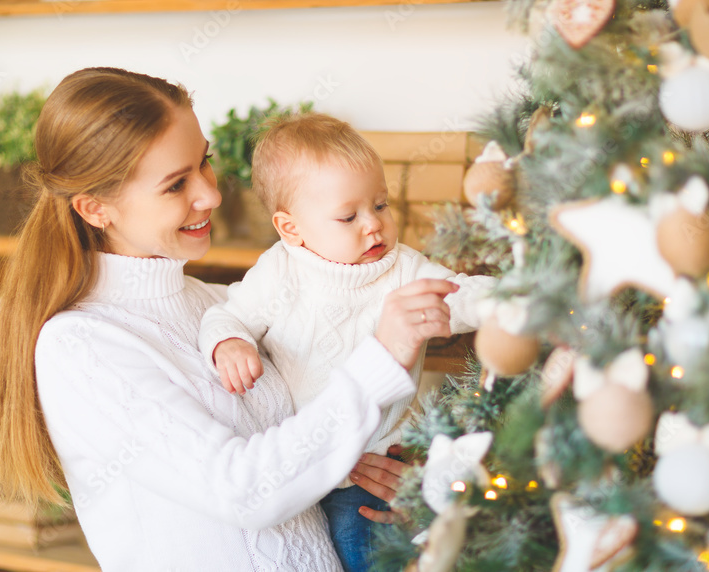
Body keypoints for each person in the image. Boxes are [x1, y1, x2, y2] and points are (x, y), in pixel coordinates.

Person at [0, 67, 460, 572]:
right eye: (176, 184)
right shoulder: (82, 347)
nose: (211, 195)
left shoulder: (219, 306)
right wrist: (382, 359)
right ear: (96, 209)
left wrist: (369, 466)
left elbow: (304, 435)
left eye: (204, 163)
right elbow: (244, 491)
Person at [198, 112, 493, 571]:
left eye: (381, 205)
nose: (373, 225)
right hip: (294, 463)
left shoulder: (404, 268)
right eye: (348, 216)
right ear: (290, 228)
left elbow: (459, 296)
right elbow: (227, 314)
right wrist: (230, 343)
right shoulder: (280, 270)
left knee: (366, 555)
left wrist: (511, 300)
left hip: (366, 476)